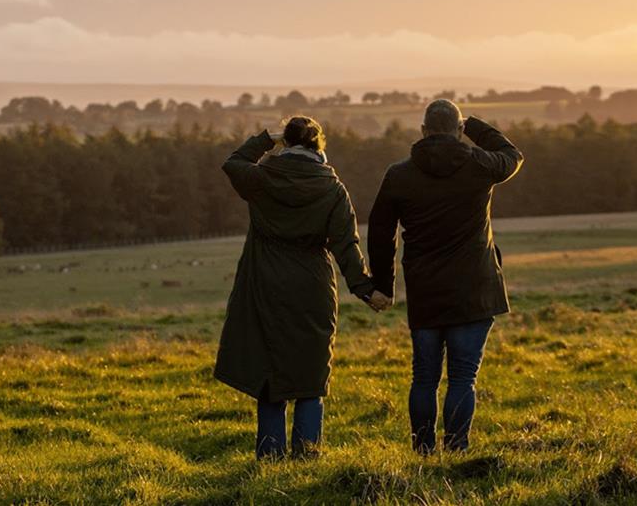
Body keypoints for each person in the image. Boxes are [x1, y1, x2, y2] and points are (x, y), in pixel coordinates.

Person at [214, 116, 377, 460]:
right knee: (310, 378)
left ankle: (270, 460)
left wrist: (264, 139)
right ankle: (307, 458)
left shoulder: (261, 179)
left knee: (270, 379)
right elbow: (346, 244)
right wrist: (365, 289)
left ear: (286, 143)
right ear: (319, 147)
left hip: (265, 284)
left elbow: (233, 164)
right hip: (312, 287)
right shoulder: (333, 189)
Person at [366, 100, 523, 454]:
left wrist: (383, 285)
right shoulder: (480, 165)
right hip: (475, 289)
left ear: (422, 132)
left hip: (425, 291)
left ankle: (422, 451)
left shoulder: (399, 174)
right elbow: (512, 154)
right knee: (463, 378)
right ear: (458, 130)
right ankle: (456, 449)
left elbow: (380, 232)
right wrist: (475, 127)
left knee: (424, 378)